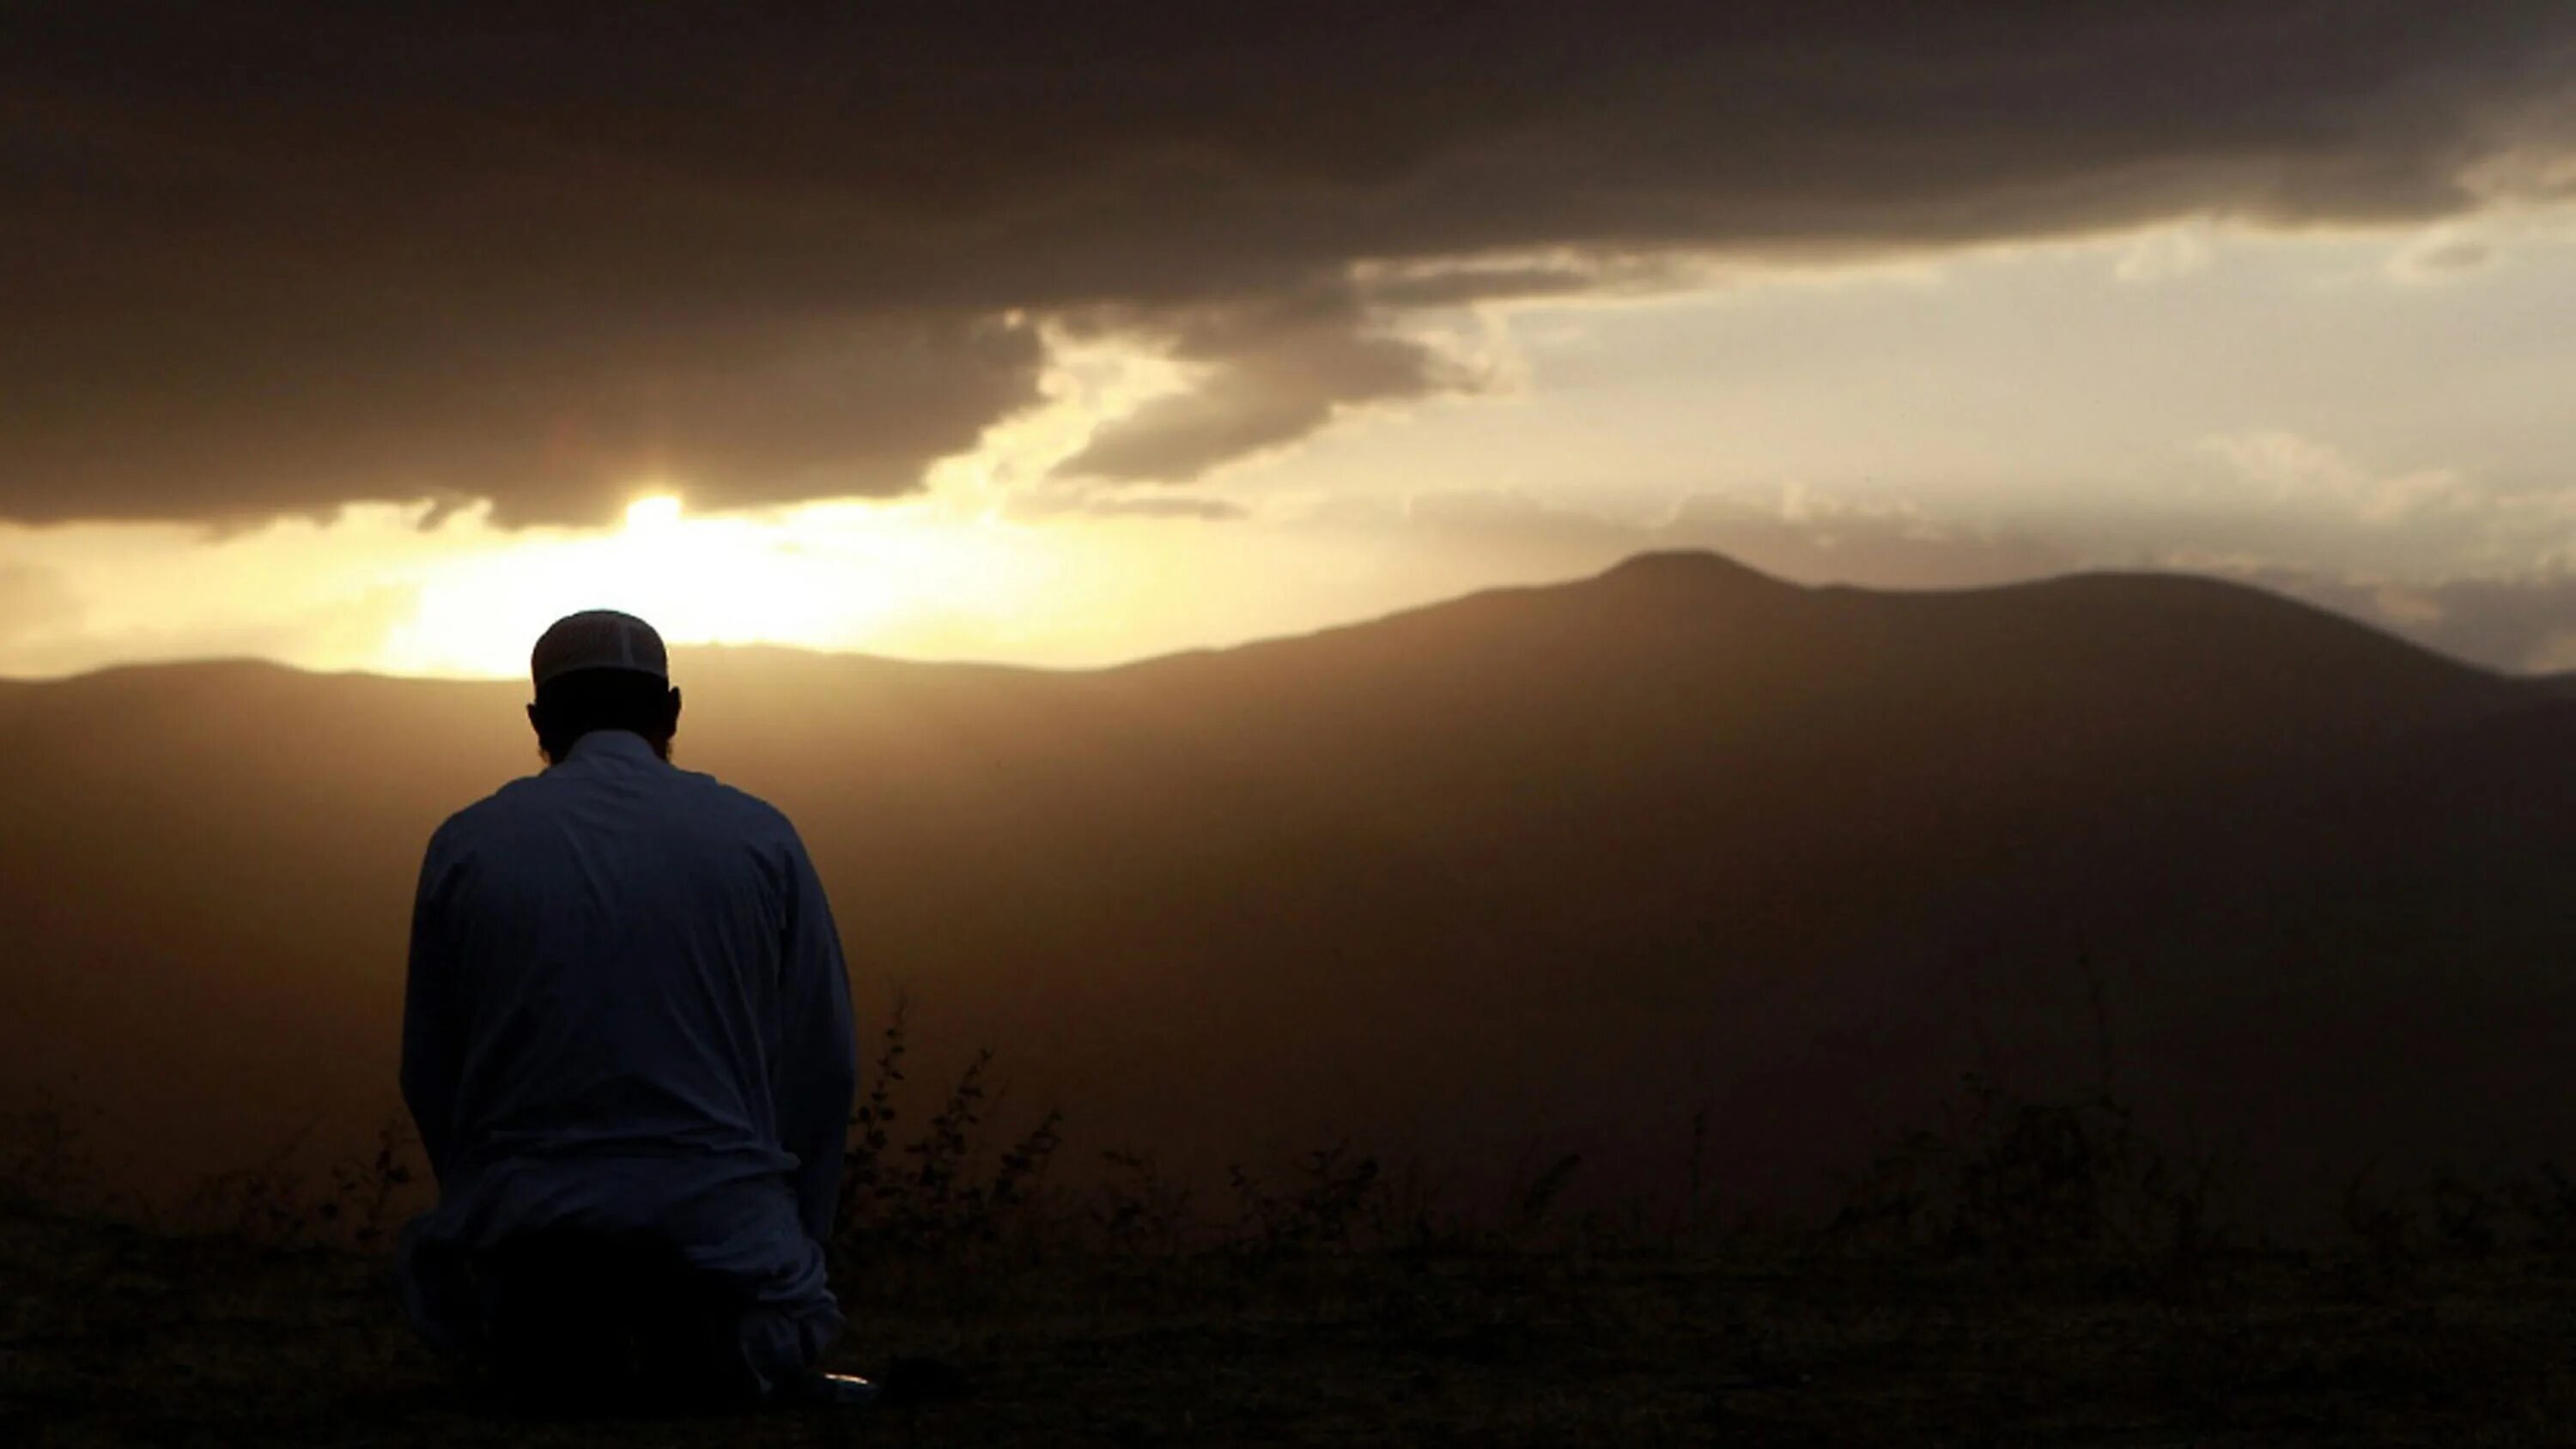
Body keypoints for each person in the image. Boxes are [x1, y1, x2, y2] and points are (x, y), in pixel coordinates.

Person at [395, 609, 871, 1410]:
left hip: (525, 1269)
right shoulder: (760, 838)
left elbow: (430, 1068)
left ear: (538, 722)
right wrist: (791, 1240)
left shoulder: (468, 845)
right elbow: (824, 1064)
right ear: (673, 711)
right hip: (733, 1267)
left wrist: (491, 1201)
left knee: (522, 1336)